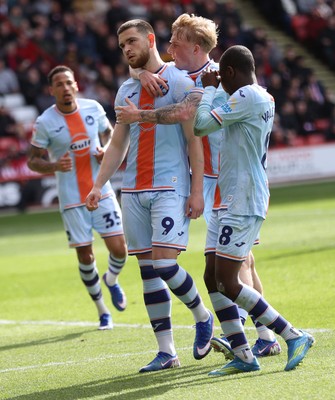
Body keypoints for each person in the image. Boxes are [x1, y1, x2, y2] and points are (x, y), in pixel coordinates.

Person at [116, 13, 281, 359]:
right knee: (227, 261)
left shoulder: (221, 77)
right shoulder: (179, 74)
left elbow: (182, 114)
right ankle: (246, 334)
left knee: (241, 261)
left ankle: (264, 334)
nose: (169, 44)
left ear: (194, 46)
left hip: (229, 178)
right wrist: (141, 72)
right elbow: (146, 65)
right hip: (203, 178)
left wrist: (138, 115)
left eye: (176, 40)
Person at [85, 19, 214, 373]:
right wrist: (98, 185)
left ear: (151, 39)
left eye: (131, 41)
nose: (127, 48)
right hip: (133, 190)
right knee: (147, 271)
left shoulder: (179, 81)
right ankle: (166, 351)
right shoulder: (126, 88)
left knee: (164, 264)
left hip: (170, 185)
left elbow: (193, 140)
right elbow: (117, 144)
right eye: (122, 45)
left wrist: (197, 190)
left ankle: (203, 316)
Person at [194, 44, 315, 376]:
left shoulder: (247, 97)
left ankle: (293, 334)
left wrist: (207, 90)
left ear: (230, 73)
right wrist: (218, 90)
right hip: (229, 196)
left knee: (228, 281)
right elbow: (222, 114)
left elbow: (201, 125)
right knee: (211, 275)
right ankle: (244, 354)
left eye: (224, 78)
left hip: (244, 198)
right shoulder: (257, 97)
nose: (222, 83)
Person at [27, 65, 127, 330]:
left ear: (76, 85)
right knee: (86, 256)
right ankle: (102, 311)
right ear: (52, 91)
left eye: (68, 82)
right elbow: (32, 161)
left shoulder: (93, 108)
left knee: (120, 249)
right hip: (72, 199)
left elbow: (111, 136)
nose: (65, 88)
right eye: (59, 84)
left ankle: (112, 280)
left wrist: (105, 150)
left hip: (101, 190)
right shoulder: (45, 122)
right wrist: (53, 166)